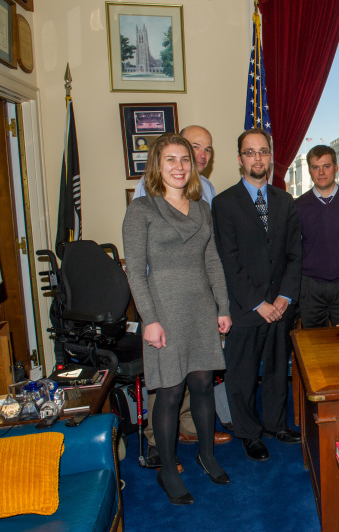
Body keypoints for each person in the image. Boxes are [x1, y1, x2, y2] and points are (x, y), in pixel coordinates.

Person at [123, 133, 232, 505]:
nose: (179, 166)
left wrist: (223, 307)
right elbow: (135, 272)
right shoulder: (142, 209)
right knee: (169, 392)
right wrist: (149, 319)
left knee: (202, 384)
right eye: (170, 159)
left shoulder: (202, 208)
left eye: (185, 159)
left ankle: (207, 455)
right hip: (163, 310)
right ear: (157, 164)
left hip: (201, 306)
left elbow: (213, 260)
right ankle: (167, 470)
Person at [212, 128, 302, 463]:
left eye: (263, 151)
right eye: (250, 152)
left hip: (281, 306)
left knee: (279, 369)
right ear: (240, 160)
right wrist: (258, 303)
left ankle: (276, 424)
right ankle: (249, 434)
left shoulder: (285, 201)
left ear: (271, 156)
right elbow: (228, 259)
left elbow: (295, 254)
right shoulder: (224, 203)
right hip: (246, 308)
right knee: (242, 375)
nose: (257, 158)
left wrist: (285, 297)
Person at [294, 145, 339, 327]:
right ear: (309, 170)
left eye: (326, 166)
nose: (321, 172)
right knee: (315, 347)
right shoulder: (297, 206)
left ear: (336, 167)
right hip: (310, 286)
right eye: (316, 167)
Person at [134, 125, 217, 204]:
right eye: (195, 147)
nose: (203, 155)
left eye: (207, 150)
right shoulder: (148, 184)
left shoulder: (207, 186)